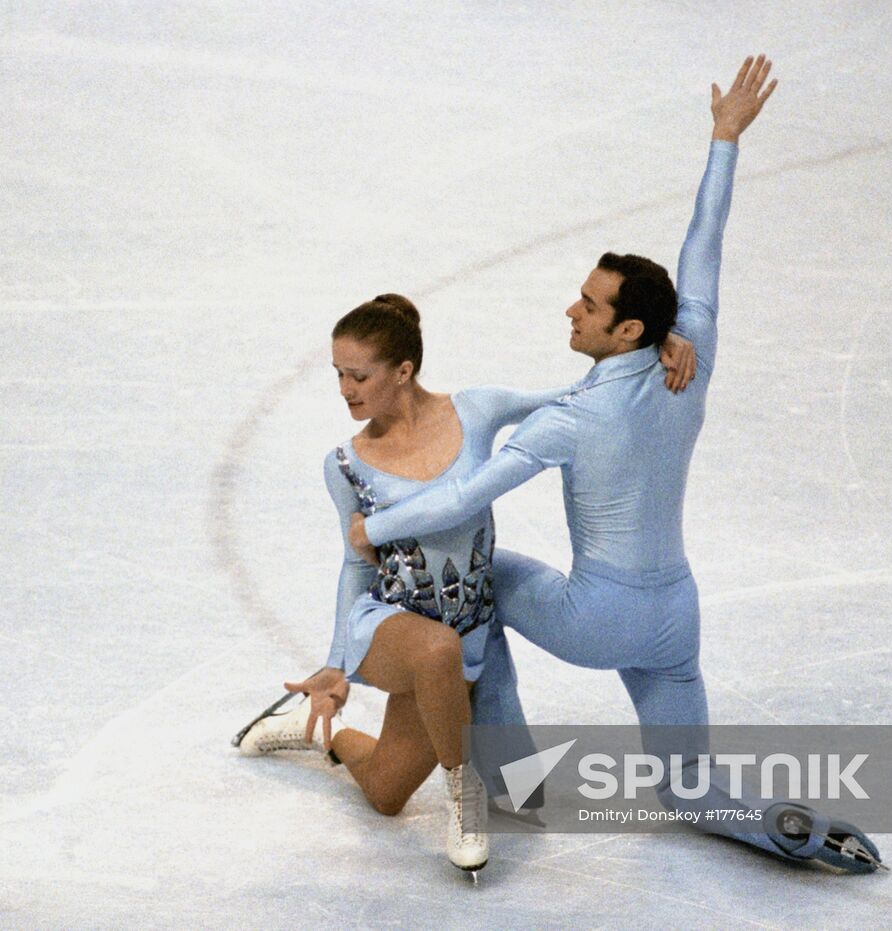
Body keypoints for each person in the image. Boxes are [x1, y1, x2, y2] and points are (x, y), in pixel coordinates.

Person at [347, 55, 885, 873]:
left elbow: (461, 498)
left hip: (595, 617)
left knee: (476, 582)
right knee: (690, 786)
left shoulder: (574, 417)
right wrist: (723, 139)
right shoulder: (690, 350)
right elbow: (705, 243)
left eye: (590, 305)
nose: (573, 307)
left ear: (628, 330)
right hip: (675, 616)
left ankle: (517, 784)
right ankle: (777, 828)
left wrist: (373, 525)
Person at [235, 294, 675, 872]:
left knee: (397, 794)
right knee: (434, 648)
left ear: (404, 370)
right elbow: (356, 565)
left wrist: (658, 346)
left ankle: (320, 734)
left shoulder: (477, 410)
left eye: (359, 375)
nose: (345, 389)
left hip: (465, 636)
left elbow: (577, 396)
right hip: (390, 625)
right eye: (338, 374)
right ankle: (461, 794)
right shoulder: (344, 463)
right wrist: (337, 664)